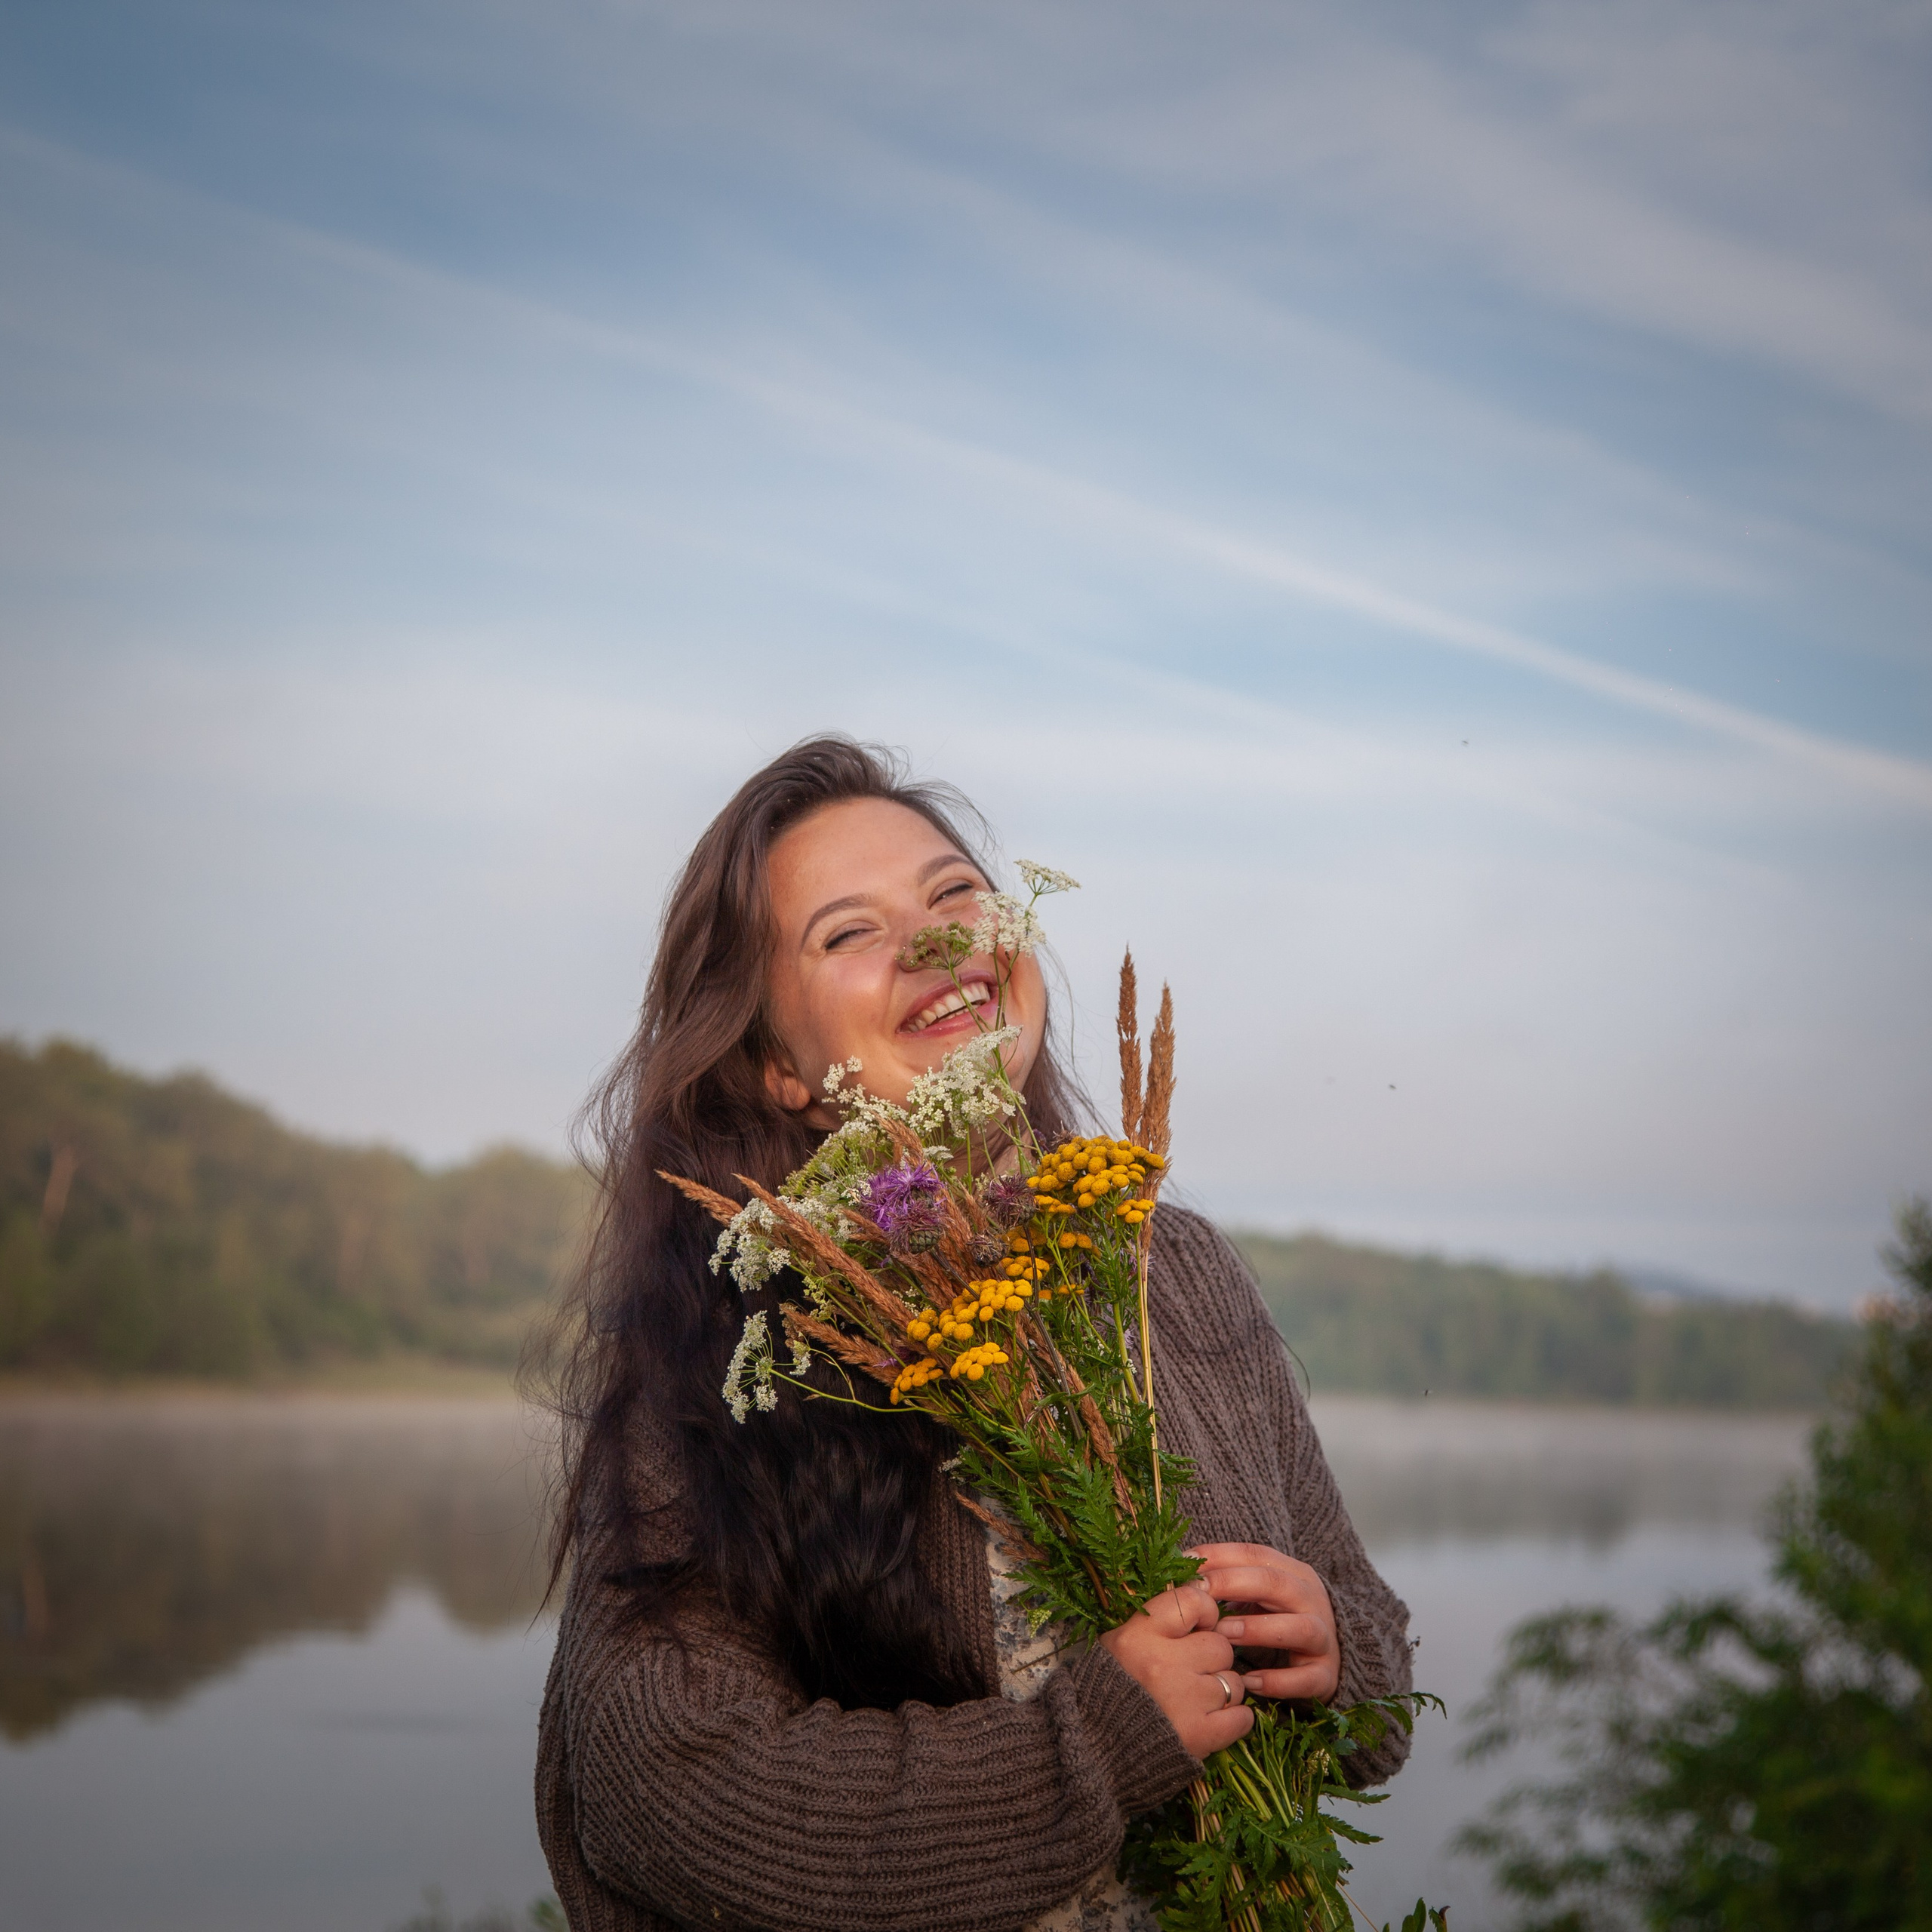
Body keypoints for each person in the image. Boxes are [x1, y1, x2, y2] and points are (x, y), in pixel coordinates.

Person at [534, 737, 1413, 1932]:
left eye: (955, 895)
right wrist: (1093, 1748)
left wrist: (1330, 1652)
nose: (938, 940)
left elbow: (1380, 1694)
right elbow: (665, 1795)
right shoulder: (726, 1351)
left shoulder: (1173, 1267)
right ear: (774, 1066)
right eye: (848, 933)